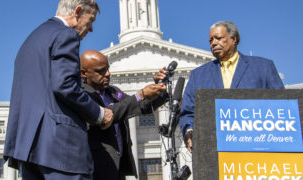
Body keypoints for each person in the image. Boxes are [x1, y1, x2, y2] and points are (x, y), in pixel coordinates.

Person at [3, 1, 113, 179]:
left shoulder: (31, 40)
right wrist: (99, 113)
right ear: (77, 12)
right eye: (91, 20)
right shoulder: (66, 34)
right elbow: (65, 86)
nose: (91, 28)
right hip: (60, 148)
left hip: (26, 147)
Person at [179, 21, 284, 152]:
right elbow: (188, 112)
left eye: (218, 38)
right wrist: (189, 130)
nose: (213, 43)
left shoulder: (263, 67)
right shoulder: (198, 75)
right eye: (211, 40)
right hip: (215, 149)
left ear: (233, 39)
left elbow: (282, 105)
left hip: (258, 145)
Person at [80, 50, 168, 180]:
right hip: (97, 167)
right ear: (84, 73)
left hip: (118, 167)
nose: (108, 74)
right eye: (101, 71)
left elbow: (140, 107)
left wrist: (159, 89)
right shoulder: (81, 94)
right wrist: (140, 95)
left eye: (108, 69)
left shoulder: (113, 92)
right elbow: (107, 115)